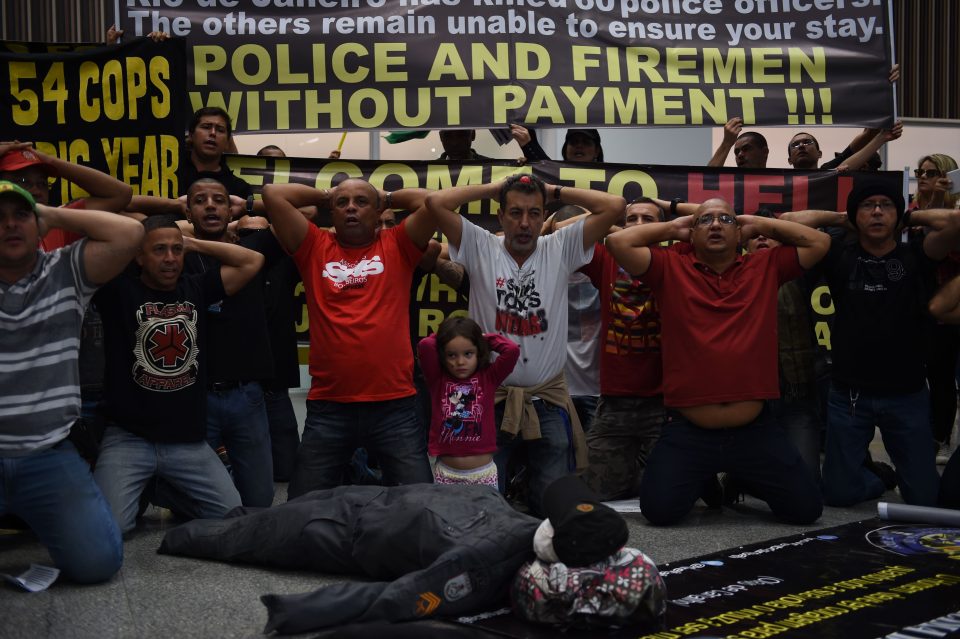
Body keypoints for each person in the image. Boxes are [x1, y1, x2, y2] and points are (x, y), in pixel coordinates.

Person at [157, 475, 661, 635]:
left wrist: (293, 611)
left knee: (236, 535)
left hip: (350, 526)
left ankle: (173, 533)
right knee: (257, 520)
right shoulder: (520, 544)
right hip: (382, 503)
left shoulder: (484, 562)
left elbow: (399, 598)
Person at [606, 198, 830, 525]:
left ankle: (738, 477)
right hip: (690, 431)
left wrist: (758, 223)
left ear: (740, 233)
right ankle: (708, 477)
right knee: (659, 511)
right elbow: (617, 241)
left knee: (806, 510)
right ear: (689, 235)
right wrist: (673, 227)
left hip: (754, 430)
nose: (715, 224)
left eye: (725, 219)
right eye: (704, 220)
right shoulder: (669, 267)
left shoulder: (765, 265)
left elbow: (820, 241)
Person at [426, 174, 626, 515]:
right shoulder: (480, 245)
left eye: (534, 213)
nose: (525, 223)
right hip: (488, 400)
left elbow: (615, 206)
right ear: (501, 215)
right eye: (515, 212)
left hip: (546, 400)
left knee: (551, 509)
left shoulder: (560, 247)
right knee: (483, 507)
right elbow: (434, 204)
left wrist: (555, 191)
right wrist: (493, 188)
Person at [782, 179, 960, 507]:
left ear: (897, 213)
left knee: (924, 498)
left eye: (886, 205)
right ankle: (877, 478)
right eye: (867, 206)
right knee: (837, 493)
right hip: (849, 395)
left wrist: (909, 217)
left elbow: (955, 223)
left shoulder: (917, 254)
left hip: (906, 393)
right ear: (855, 215)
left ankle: (898, 475)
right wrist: (840, 217)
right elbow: (787, 222)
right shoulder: (837, 254)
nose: (877, 211)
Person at [0, 180, 143, 582]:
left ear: (39, 222)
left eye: (21, 215)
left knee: (96, 564)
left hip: (47, 454)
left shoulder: (65, 270)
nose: (10, 226)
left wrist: (55, 215)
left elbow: (131, 233)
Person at [263, 178, 439, 497]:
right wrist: (329, 195)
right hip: (330, 406)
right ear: (332, 212)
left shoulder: (398, 244)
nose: (351, 208)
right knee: (302, 505)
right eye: (343, 204)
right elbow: (273, 194)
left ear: (378, 212)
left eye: (361, 202)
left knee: (420, 503)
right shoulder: (314, 246)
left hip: (394, 405)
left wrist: (383, 195)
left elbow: (433, 201)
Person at [92, 216, 264, 534]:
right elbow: (95, 238)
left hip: (186, 440)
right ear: (138, 255)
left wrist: (193, 242)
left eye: (176, 249)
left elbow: (252, 260)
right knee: (107, 531)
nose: (170, 258)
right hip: (130, 438)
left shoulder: (196, 286)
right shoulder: (117, 290)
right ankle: (145, 485)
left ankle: (161, 489)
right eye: (159, 250)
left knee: (233, 520)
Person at [180, 178, 280, 507]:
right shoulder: (173, 258)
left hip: (245, 395)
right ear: (188, 212)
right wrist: (178, 228)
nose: (210, 205)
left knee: (261, 500)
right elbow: (129, 217)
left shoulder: (254, 248)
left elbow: (300, 210)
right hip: (196, 395)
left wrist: (248, 208)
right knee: (195, 506)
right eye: (200, 201)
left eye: (219, 200)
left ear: (230, 210)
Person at [576, 197, 669, 500]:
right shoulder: (606, 259)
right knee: (596, 491)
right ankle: (636, 466)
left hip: (664, 403)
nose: (639, 226)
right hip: (616, 402)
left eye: (648, 220)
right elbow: (561, 233)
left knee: (665, 497)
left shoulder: (675, 259)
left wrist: (666, 215)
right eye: (632, 219)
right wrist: (613, 227)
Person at [744, 225, 822, 482]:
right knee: (740, 477)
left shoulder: (804, 275)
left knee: (808, 479)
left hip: (796, 396)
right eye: (754, 236)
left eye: (770, 234)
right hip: (748, 399)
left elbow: (819, 239)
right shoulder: (731, 276)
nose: (762, 238)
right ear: (744, 244)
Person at [418, 316, 520, 487]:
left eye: (468, 353)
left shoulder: (488, 377)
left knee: (485, 515)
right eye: (452, 355)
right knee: (445, 515)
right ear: (443, 356)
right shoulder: (438, 379)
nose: (460, 362)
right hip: (446, 474)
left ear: (478, 352)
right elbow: (425, 345)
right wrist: (446, 334)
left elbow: (511, 350)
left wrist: (482, 337)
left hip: (483, 475)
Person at [910, 154, 960, 464]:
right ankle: (919, 436)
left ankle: (940, 437)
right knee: (915, 377)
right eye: (920, 172)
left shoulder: (955, 214)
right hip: (912, 304)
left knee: (942, 378)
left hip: (947, 305)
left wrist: (941, 201)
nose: (924, 177)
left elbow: (941, 248)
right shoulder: (911, 211)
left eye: (932, 172)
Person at [177, 107, 251, 199]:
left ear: (227, 143)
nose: (213, 133)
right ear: (191, 135)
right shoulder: (171, 175)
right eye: (206, 127)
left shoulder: (239, 189)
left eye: (220, 130)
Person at [510, 127, 604, 163]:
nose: (579, 146)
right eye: (573, 142)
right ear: (565, 150)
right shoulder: (554, 173)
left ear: (597, 151)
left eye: (586, 142)